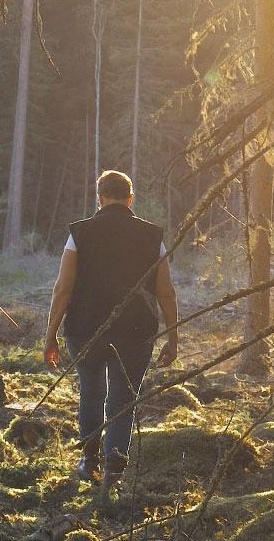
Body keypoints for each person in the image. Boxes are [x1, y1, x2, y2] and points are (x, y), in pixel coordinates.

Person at [43, 170, 179, 489]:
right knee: (122, 399)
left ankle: (90, 461)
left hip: (84, 329)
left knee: (91, 392)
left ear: (100, 199)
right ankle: (114, 475)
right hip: (136, 331)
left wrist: (50, 335)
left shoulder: (80, 233)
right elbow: (167, 292)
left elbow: (63, 288)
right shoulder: (152, 236)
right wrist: (173, 338)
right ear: (130, 200)